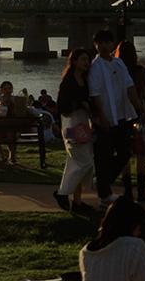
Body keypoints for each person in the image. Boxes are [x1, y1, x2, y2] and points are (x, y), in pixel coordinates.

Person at [88, 30, 144, 205]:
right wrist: (102, 118)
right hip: (105, 119)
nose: (104, 46)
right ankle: (104, 194)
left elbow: (129, 86)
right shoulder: (95, 67)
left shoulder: (119, 63)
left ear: (113, 44)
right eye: (100, 43)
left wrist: (138, 107)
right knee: (103, 156)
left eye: (107, 42)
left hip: (122, 117)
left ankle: (102, 182)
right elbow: (95, 94)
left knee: (125, 152)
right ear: (95, 45)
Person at [79, 197, 145, 281]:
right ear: (131, 225)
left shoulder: (86, 253)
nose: (139, 232)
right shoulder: (135, 247)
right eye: (139, 228)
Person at [55, 49, 95, 214]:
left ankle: (77, 202)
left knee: (75, 162)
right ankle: (62, 193)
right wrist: (80, 104)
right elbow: (62, 107)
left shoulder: (85, 79)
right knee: (84, 162)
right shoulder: (68, 81)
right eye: (83, 59)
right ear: (75, 61)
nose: (86, 62)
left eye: (88, 59)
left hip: (84, 123)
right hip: (71, 124)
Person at [115, 41, 145, 201]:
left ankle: (128, 191)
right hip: (139, 117)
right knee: (141, 155)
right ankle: (142, 192)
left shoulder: (115, 72)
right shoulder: (142, 72)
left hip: (121, 118)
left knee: (125, 155)